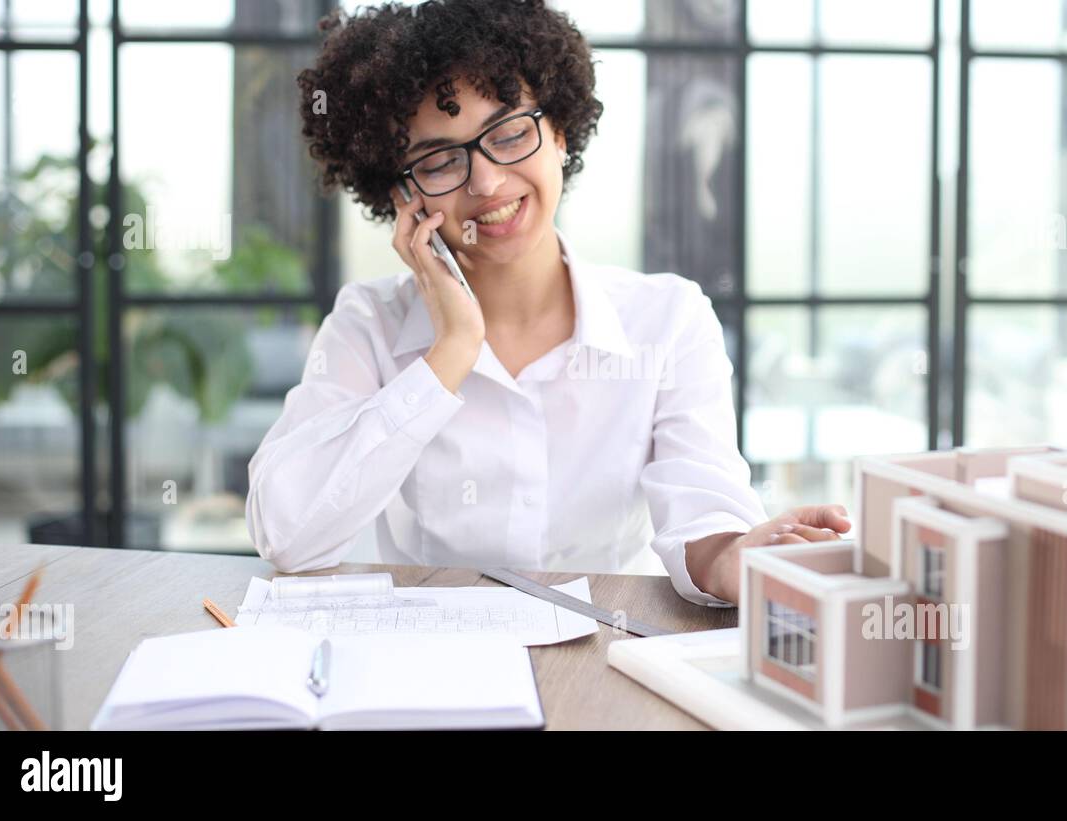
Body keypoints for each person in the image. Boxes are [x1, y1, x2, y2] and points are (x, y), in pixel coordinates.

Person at [246, 0, 850, 606]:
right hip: (425, 672)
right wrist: (451, 351)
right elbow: (289, 535)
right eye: (437, 160)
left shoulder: (667, 319)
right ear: (400, 191)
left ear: (559, 130)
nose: (485, 184)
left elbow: (703, 507)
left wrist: (731, 559)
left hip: (604, 661)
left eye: (508, 134)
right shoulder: (368, 325)